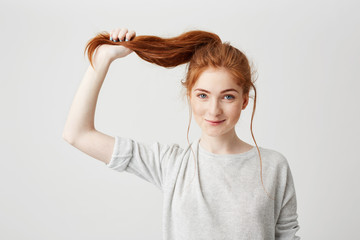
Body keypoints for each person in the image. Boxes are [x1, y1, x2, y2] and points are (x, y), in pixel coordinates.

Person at [63, 28, 300, 240]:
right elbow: (77, 134)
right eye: (202, 95)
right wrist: (104, 58)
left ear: (244, 100)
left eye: (228, 96)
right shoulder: (171, 165)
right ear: (189, 96)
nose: (214, 110)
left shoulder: (273, 167)